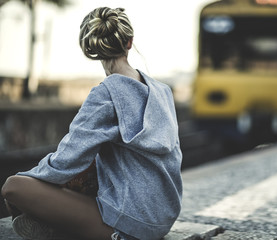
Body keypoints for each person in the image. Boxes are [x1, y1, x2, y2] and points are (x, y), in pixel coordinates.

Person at [1, 7, 183, 240]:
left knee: (13, 187)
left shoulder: (106, 94)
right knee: (90, 167)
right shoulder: (163, 91)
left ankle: (58, 228)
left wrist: (30, 177)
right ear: (129, 42)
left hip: (132, 225)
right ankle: (57, 227)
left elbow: (66, 161)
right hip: (164, 217)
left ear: (91, 49)